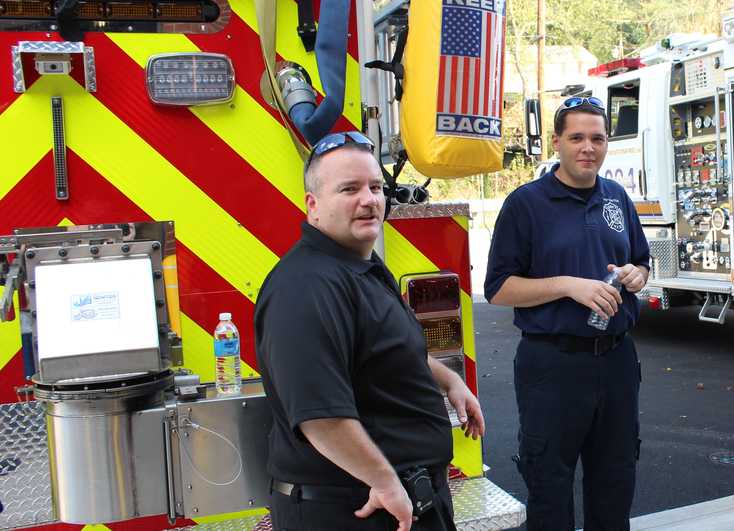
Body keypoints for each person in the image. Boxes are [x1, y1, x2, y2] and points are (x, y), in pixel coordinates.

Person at [255, 131, 485, 531]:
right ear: (313, 206)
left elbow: (385, 349)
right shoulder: (307, 287)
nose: (369, 200)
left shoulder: (356, 265)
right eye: (350, 189)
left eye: (376, 187)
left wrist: (449, 380)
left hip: (396, 499)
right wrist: (384, 481)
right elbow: (321, 417)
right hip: (354, 509)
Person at [485, 96, 651, 531]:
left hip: (616, 361)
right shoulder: (526, 204)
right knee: (549, 486)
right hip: (552, 365)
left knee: (615, 483)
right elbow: (499, 288)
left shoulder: (617, 197)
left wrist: (636, 275)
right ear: (556, 142)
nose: (587, 148)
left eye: (597, 138)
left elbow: (641, 262)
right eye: (576, 137)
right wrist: (568, 286)